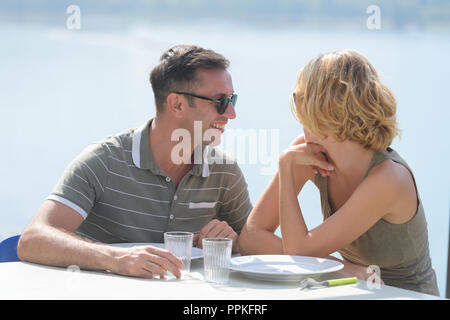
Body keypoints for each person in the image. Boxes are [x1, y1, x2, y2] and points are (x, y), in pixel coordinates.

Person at [18, 45, 252, 279]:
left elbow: (256, 245)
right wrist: (116, 258)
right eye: (220, 102)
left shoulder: (224, 172)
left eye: (232, 100)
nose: (231, 113)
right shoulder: (104, 161)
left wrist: (233, 242)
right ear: (177, 104)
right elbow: (32, 240)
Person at [239, 49, 439, 296]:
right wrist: (343, 269)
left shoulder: (388, 178)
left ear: (321, 109)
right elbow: (250, 238)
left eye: (302, 100)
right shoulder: (304, 154)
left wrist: (285, 165)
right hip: (351, 291)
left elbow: (299, 253)